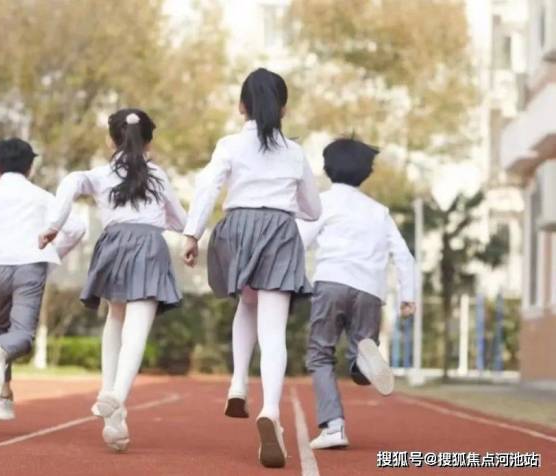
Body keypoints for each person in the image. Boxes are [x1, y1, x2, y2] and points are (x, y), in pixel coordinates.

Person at [182, 68, 322, 468]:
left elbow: (208, 187)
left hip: (237, 229)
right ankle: (271, 411)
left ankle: (238, 383)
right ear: (284, 109)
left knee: (246, 303)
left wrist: (192, 234)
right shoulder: (294, 153)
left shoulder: (229, 145)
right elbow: (313, 209)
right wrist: (287, 205)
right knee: (273, 329)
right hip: (278, 230)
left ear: (241, 106)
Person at [39, 108, 186, 452]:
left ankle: (112, 412)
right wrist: (188, 235)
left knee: (115, 318)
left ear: (110, 140)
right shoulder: (158, 175)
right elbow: (181, 220)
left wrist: (54, 224)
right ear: (149, 142)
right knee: (137, 328)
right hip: (148, 246)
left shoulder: (102, 173)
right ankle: (116, 396)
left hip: (114, 245)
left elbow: (71, 182)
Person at [0, 138, 86, 421]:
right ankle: (1, 376)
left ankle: (3, 396)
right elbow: (77, 228)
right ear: (30, 167)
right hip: (30, 267)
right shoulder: (43, 197)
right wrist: (53, 252)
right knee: (22, 336)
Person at [297, 137, 416, 449]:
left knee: (320, 354)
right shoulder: (379, 211)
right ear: (366, 173)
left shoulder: (322, 203)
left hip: (331, 282)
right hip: (370, 290)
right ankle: (363, 364)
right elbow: (403, 256)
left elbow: (299, 241)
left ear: (327, 168)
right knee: (360, 349)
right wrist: (407, 296)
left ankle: (333, 427)